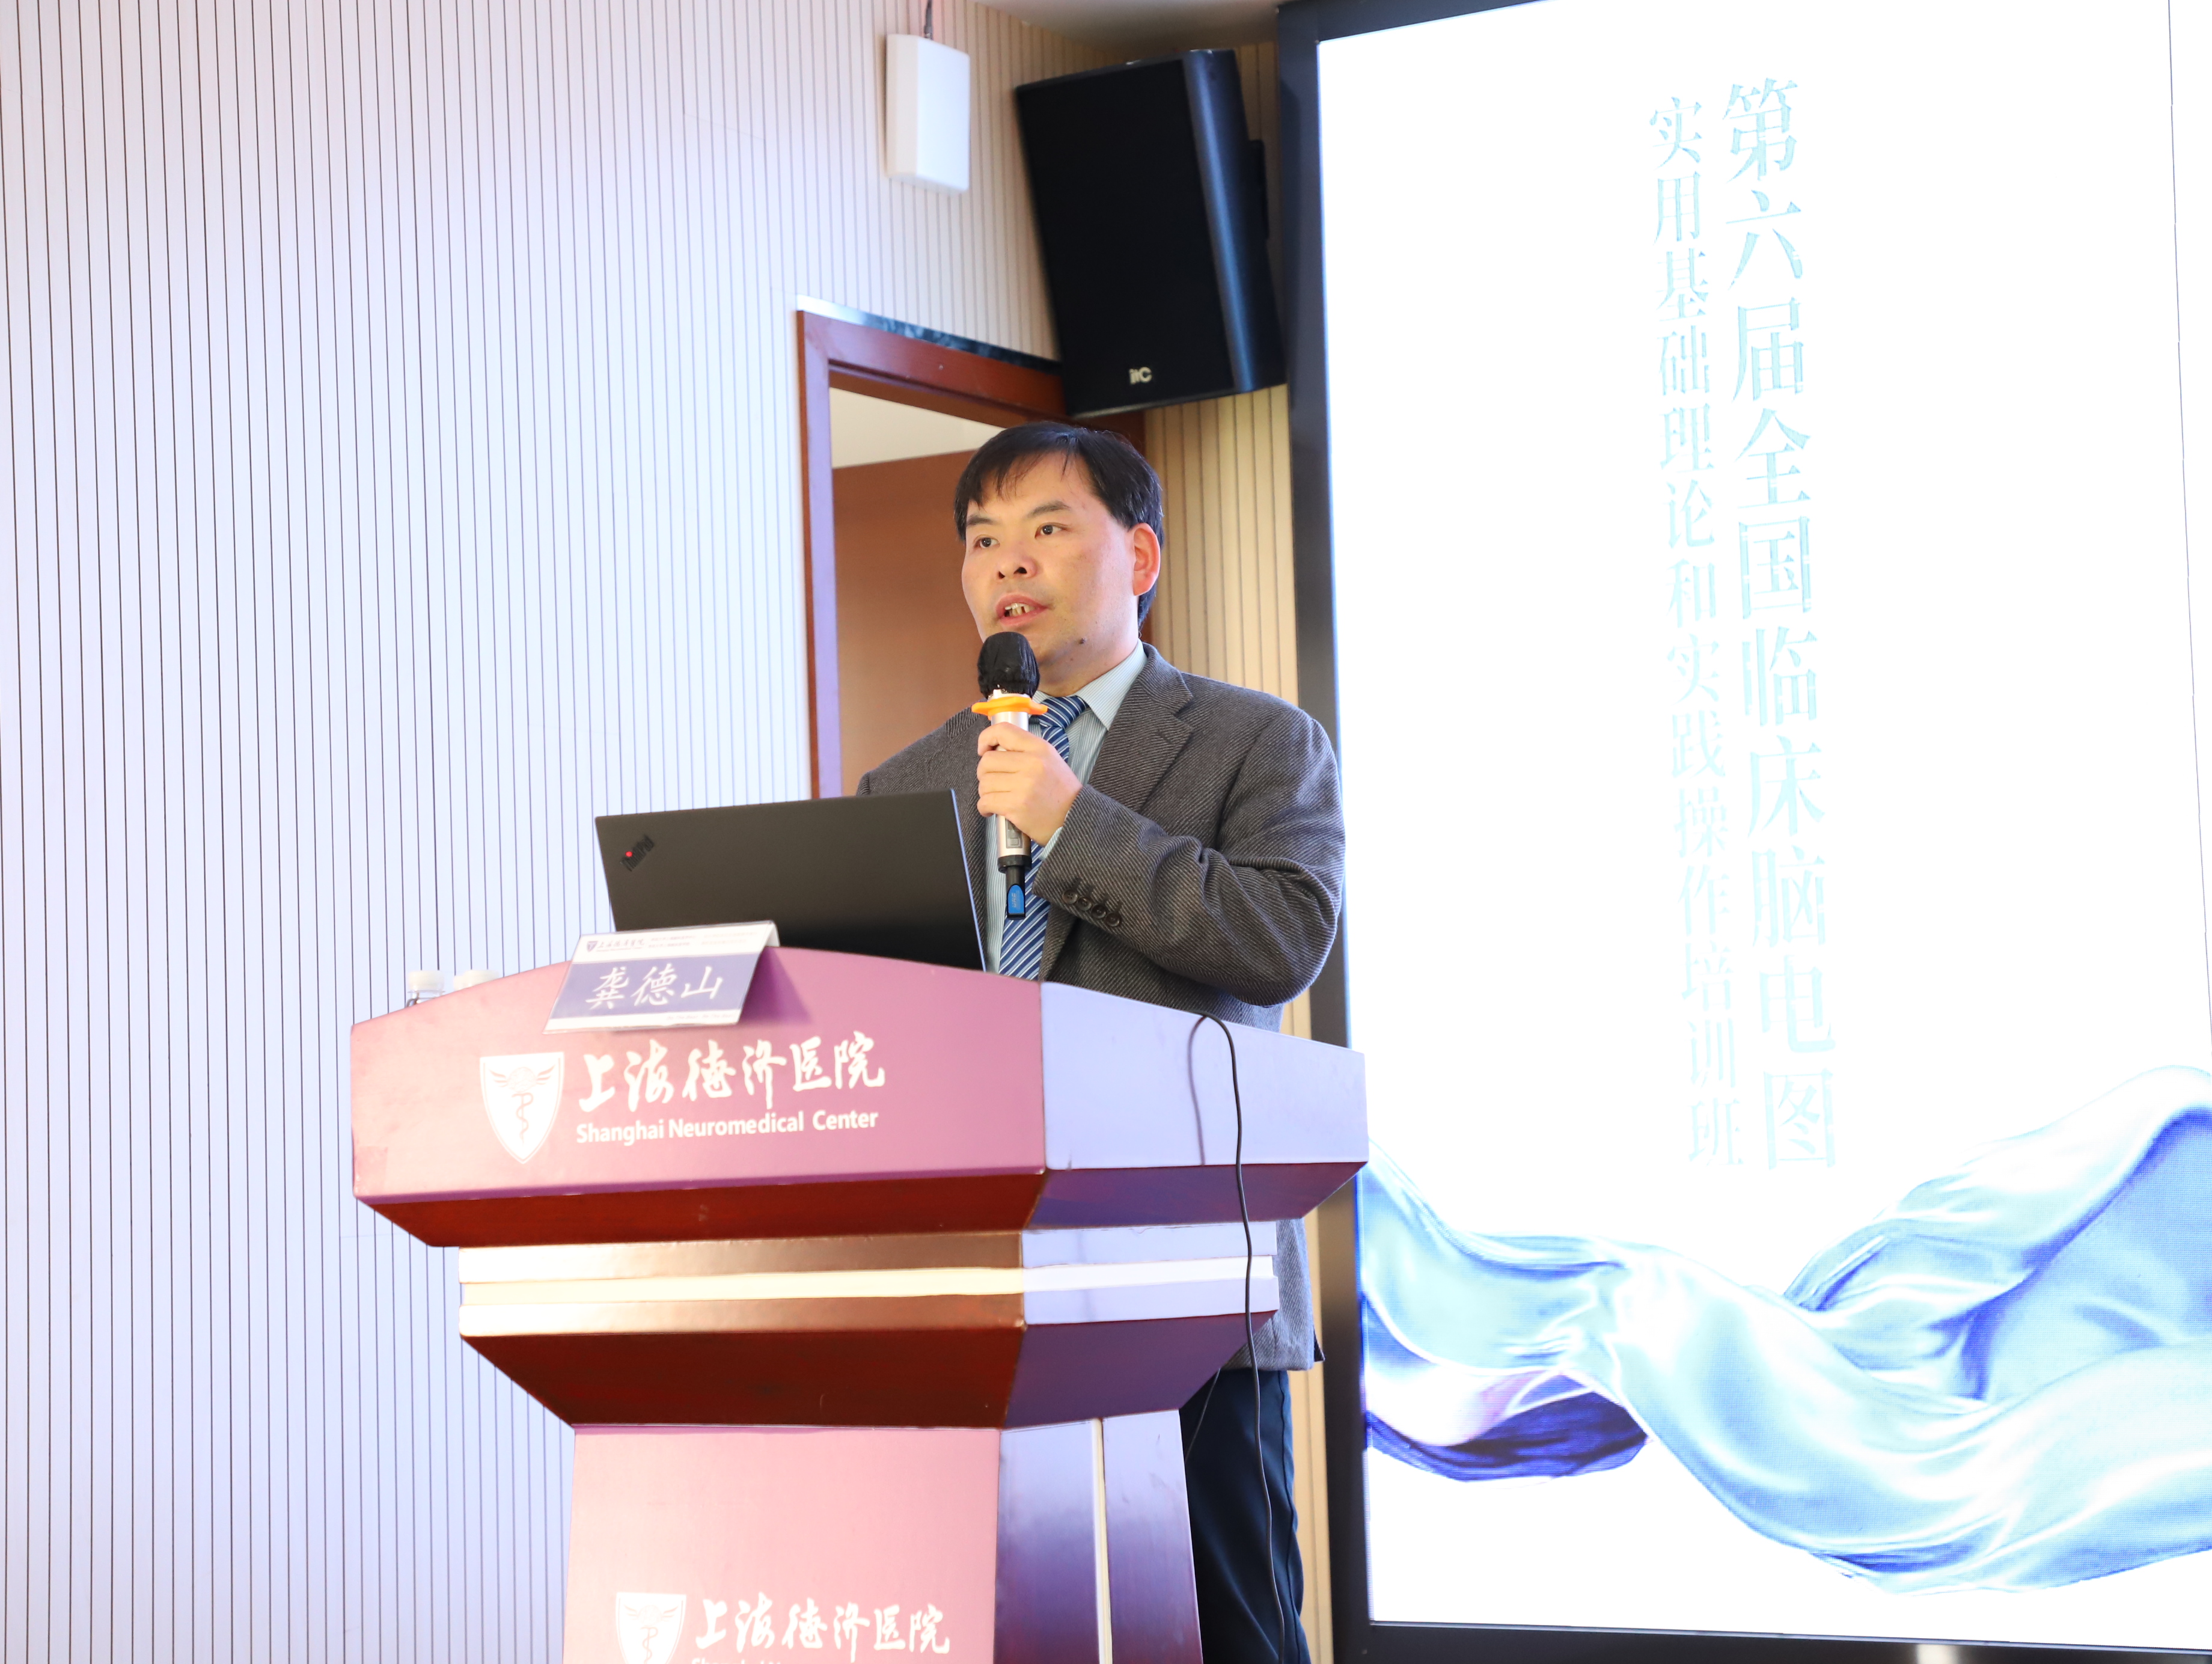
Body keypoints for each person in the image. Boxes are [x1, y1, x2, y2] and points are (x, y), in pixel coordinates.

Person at [856, 421, 1344, 1663]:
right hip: (980, 1281)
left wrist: (1075, 821)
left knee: (1229, 1631)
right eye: (981, 539)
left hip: (1186, 1279)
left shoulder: (1256, 739)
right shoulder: (906, 783)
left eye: (1046, 529)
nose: (1006, 563)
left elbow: (1282, 939)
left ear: (1140, 555)